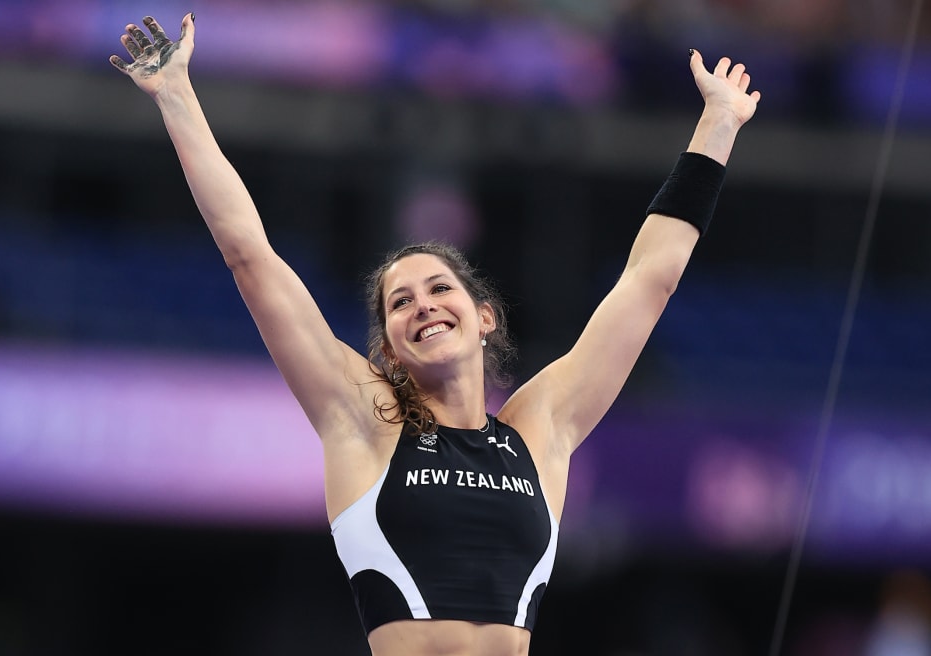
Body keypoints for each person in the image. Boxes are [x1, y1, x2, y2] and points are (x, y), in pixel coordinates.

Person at [110, 13, 760, 656]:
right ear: (389, 346)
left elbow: (651, 279)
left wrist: (719, 123)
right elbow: (250, 256)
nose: (422, 304)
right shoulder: (364, 421)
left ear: (484, 316)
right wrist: (177, 96)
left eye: (440, 288)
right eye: (400, 301)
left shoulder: (540, 431)